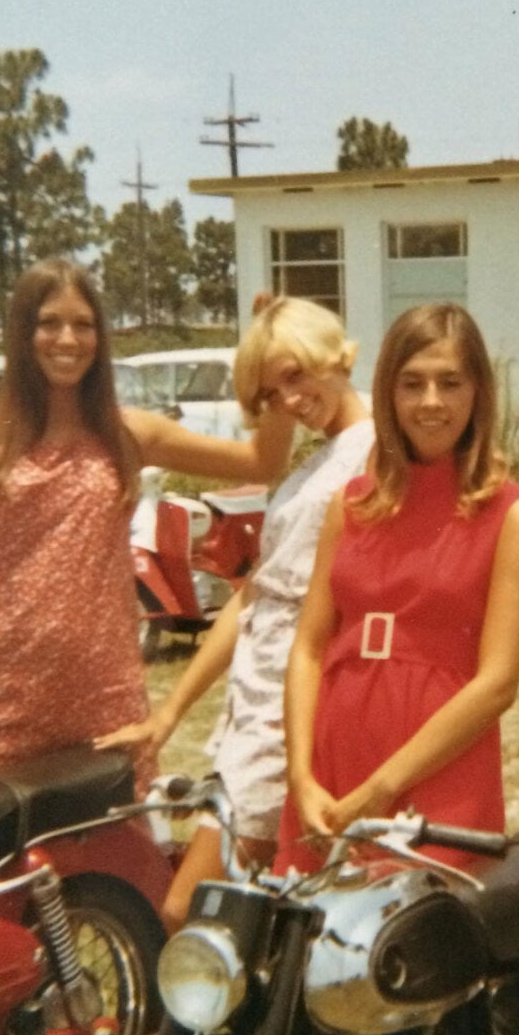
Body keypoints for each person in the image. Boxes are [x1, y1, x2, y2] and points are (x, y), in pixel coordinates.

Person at [0, 257, 296, 790]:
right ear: (22, 331)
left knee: (110, 865)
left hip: (99, 700)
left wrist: (273, 364)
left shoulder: (126, 434)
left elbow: (262, 462)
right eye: (49, 322)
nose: (67, 338)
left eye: (84, 324)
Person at [96, 296, 373, 929]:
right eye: (272, 393)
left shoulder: (375, 452)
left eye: (296, 375)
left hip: (296, 703)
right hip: (254, 699)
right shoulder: (316, 462)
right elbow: (252, 595)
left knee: (188, 910)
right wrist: (170, 711)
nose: (291, 400)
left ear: (334, 356)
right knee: (255, 913)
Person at [276, 301, 519, 869]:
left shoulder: (510, 514)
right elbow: (308, 647)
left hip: (438, 767)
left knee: (416, 946)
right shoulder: (350, 505)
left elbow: (498, 683)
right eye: (412, 383)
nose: (431, 402)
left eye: (450, 383)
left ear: (478, 394)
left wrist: (383, 786)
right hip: (332, 759)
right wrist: (300, 773)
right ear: (387, 394)